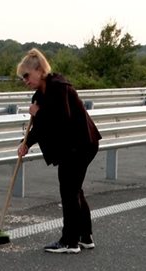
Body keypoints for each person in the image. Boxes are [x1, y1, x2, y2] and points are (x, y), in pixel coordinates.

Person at [16, 48, 102, 254]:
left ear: (39, 70)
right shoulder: (40, 94)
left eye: (26, 75)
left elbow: (62, 119)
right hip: (73, 145)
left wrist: (39, 112)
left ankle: (69, 241)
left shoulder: (59, 87)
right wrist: (26, 142)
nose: (25, 81)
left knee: (69, 190)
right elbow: (42, 126)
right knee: (74, 189)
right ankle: (84, 236)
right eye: (22, 78)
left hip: (80, 144)